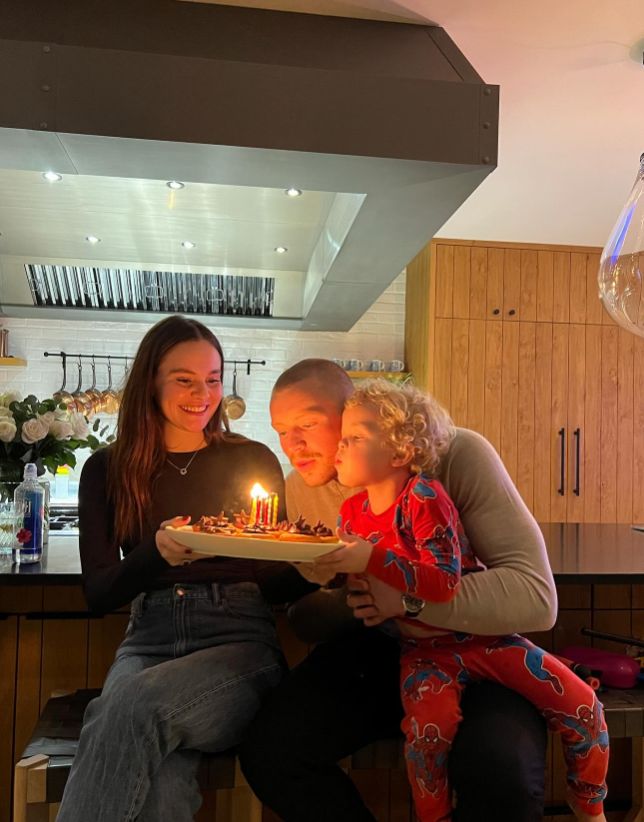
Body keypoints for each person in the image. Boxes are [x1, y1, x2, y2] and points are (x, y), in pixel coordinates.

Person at [239, 358, 558, 822]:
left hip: (480, 647)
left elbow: (536, 595)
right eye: (282, 431)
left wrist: (407, 599)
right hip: (385, 651)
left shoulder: (454, 454)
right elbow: (328, 606)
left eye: (308, 424)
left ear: (353, 412)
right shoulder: (302, 491)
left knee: (501, 768)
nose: (293, 446)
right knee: (272, 752)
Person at [313, 379, 608, 822]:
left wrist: (373, 562)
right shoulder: (351, 513)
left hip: (483, 640)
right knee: (426, 738)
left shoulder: (425, 497)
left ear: (399, 453)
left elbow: (443, 582)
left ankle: (588, 804)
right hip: (424, 652)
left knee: (581, 704)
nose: (339, 448)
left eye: (354, 438)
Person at [57, 315, 299, 822]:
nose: (202, 393)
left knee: (132, 707)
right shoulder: (107, 468)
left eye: (213, 379)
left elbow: (273, 582)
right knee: (161, 783)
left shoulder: (252, 460)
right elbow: (99, 593)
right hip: (148, 640)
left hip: (239, 644)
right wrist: (157, 552)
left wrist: (320, 570)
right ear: (151, 380)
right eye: (184, 379)